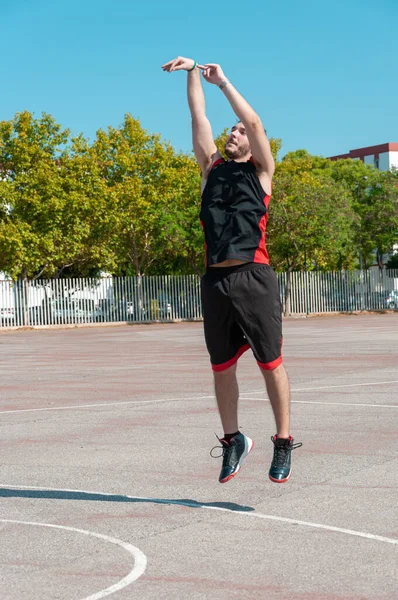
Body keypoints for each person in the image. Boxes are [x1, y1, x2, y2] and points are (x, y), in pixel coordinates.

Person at [162, 56, 301, 484]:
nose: (234, 131)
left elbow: (255, 122)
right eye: (232, 130)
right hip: (216, 280)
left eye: (238, 130)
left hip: (253, 275)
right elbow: (197, 115)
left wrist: (223, 82)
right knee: (221, 366)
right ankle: (233, 439)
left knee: (269, 362)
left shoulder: (261, 172)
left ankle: (282, 440)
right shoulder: (211, 169)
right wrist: (191, 71)